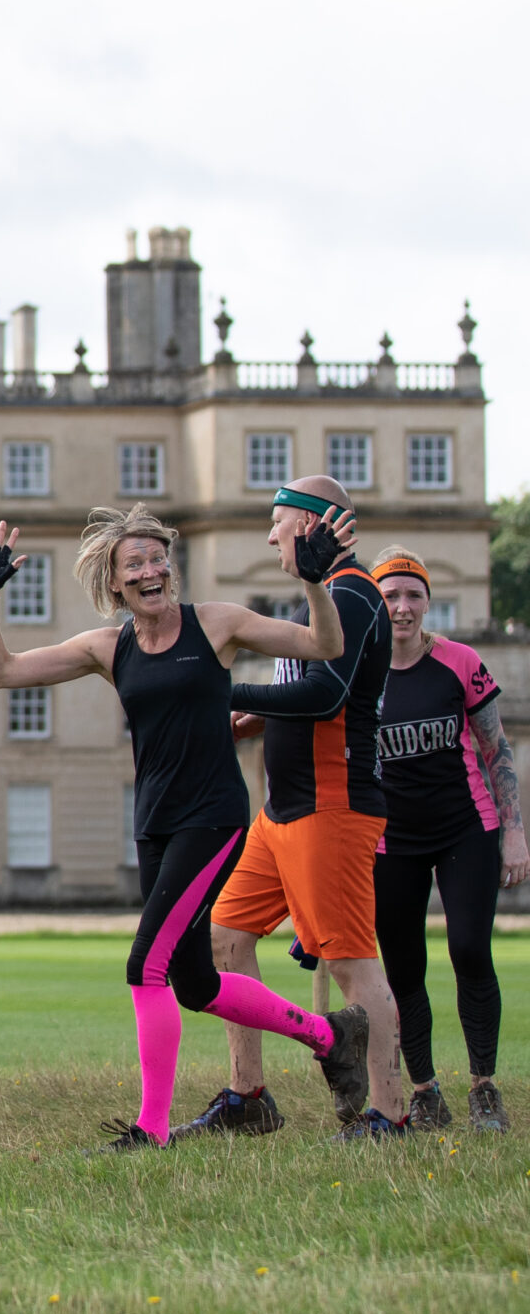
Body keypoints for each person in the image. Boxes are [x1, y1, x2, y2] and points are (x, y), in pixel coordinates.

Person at [0, 504, 374, 1150]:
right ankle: (331, 1036)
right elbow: (1, 672)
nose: (153, 570)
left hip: (212, 814)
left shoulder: (217, 623)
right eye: (137, 563)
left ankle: (150, 1130)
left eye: (159, 559)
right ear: (116, 580)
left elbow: (325, 646)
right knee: (196, 982)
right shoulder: (109, 646)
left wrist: (314, 583)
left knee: (145, 966)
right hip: (155, 821)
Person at [192, 474, 408, 1139]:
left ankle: (389, 1112)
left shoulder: (353, 592)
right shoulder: (325, 596)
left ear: (313, 524)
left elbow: (323, 696)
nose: (268, 534)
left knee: (349, 960)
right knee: (225, 936)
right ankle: (247, 1094)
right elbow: (304, 695)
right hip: (282, 813)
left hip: (332, 807)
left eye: (278, 521)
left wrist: (220, 691)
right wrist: (250, 716)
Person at [367, 548, 524, 1132]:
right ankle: (426, 1091)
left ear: (428, 602)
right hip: (390, 840)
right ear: (378, 605)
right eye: (391, 597)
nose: (403, 608)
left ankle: (484, 1088)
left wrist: (514, 833)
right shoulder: (363, 672)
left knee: (469, 951)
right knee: (403, 968)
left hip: (467, 828)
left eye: (413, 596)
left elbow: (497, 751)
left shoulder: (460, 662)